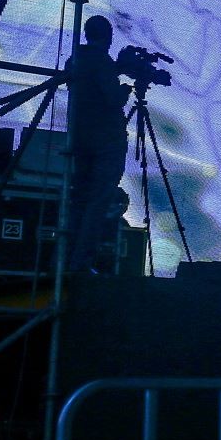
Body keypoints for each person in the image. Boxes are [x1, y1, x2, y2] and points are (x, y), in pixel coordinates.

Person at [66, 15, 131, 273]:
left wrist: (115, 69)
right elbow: (113, 99)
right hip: (106, 143)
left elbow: (90, 84)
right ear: (108, 37)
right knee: (98, 202)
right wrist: (125, 90)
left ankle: (66, 261)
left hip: (80, 140)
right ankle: (81, 264)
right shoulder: (102, 62)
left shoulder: (76, 59)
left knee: (80, 201)